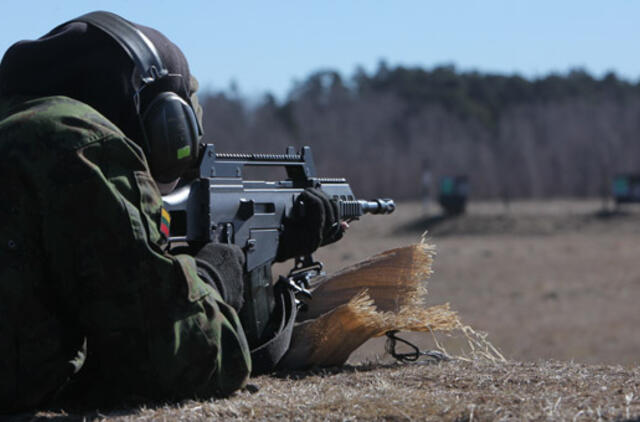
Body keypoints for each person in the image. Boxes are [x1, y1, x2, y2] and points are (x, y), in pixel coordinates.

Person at [0, 11, 340, 412]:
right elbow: (182, 359)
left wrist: (265, 245)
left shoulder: (21, 132)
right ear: (165, 120)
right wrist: (213, 278)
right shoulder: (83, 145)